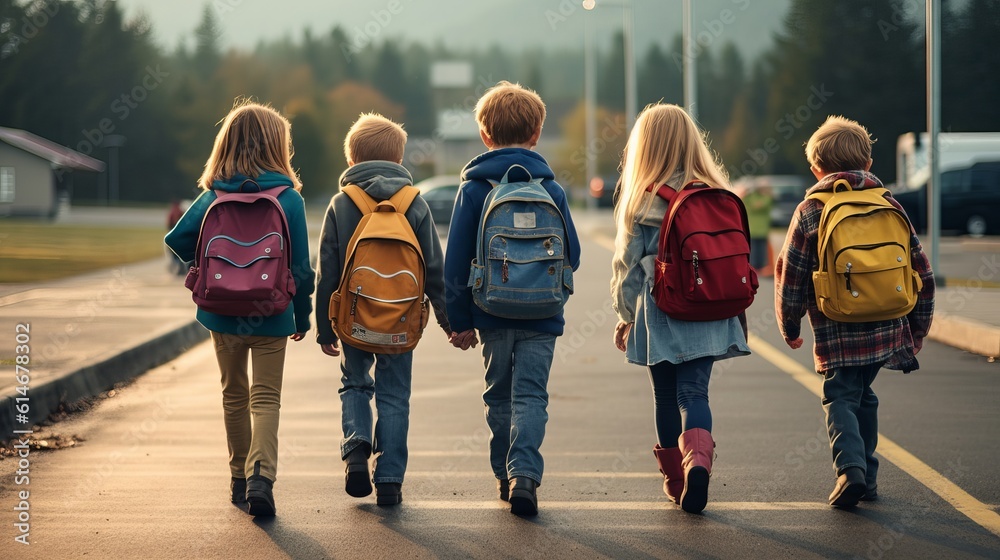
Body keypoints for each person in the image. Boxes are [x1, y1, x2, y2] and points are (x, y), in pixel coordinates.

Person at [774, 115, 935, 507]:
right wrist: (918, 328)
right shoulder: (889, 203)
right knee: (864, 394)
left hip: (836, 327)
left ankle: (851, 471)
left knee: (840, 396)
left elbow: (790, 273)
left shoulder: (811, 210)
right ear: (869, 163)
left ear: (816, 168)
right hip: (886, 324)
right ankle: (869, 477)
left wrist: (789, 324)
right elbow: (921, 270)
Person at [165, 100, 315, 516]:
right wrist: (301, 316)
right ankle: (260, 477)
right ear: (278, 147)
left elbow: (176, 241)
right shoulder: (289, 200)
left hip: (220, 311)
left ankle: (237, 477)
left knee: (234, 394)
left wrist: (211, 265)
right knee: (266, 398)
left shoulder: (213, 196)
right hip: (272, 312)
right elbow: (301, 269)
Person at [444, 81, 581, 516]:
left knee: (498, 396)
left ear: (485, 136)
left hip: (490, 312)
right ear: (537, 133)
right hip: (543, 316)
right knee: (532, 396)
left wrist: (459, 319)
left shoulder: (474, 189)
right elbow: (572, 256)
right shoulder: (551, 189)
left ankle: (504, 475)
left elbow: (455, 261)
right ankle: (525, 472)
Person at [610, 103, 750, 514]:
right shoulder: (717, 191)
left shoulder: (641, 200)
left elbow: (627, 268)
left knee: (666, 397)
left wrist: (624, 316)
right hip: (710, 309)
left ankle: (675, 480)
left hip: (663, 311)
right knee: (695, 392)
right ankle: (699, 464)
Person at [315, 113, 451, 506]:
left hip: (354, 319)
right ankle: (390, 479)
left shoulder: (342, 203)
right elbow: (435, 269)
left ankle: (356, 447)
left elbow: (328, 271)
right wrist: (448, 321)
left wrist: (325, 328)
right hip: (401, 319)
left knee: (355, 383)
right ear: (399, 158)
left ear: (351, 160)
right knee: (395, 396)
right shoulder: (415, 203)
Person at [742, 179, 774, 275]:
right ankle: (755, 267)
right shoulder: (764, 198)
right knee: (755, 250)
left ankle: (758, 267)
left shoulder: (764, 198)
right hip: (755, 229)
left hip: (759, 229)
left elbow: (758, 205)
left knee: (759, 250)